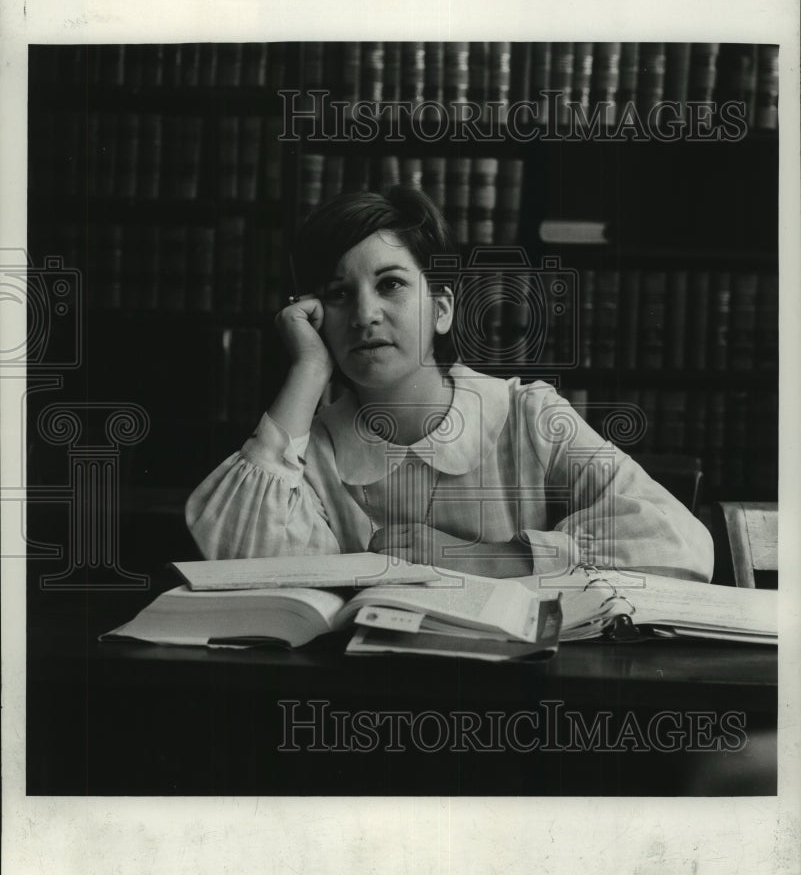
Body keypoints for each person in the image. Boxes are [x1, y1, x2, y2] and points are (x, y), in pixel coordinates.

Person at [186, 186, 713, 582]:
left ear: (441, 310)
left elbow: (680, 541)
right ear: (314, 317)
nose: (366, 314)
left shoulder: (527, 418)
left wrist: (498, 557)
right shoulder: (312, 453)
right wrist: (308, 370)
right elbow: (242, 565)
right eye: (338, 294)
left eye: (391, 284)